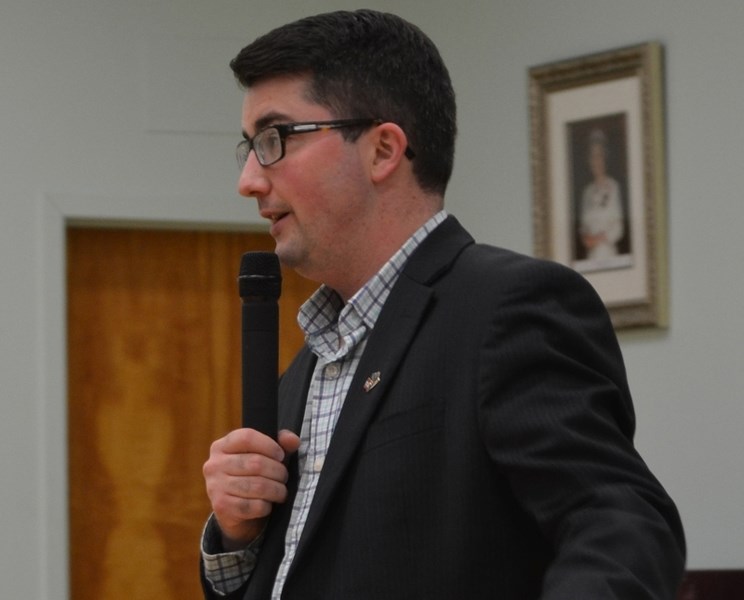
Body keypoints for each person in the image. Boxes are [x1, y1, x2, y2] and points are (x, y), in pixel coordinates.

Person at [200, 9, 685, 600]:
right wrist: (236, 535)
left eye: (274, 140)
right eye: (248, 147)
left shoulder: (507, 308)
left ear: (382, 150)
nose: (249, 179)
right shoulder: (303, 372)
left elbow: (622, 526)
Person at [578, 128, 626, 264]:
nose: (596, 161)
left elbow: (618, 228)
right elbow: (583, 228)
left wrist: (599, 239)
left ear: (605, 157)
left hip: (608, 255)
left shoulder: (613, 187)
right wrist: (586, 239)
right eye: (592, 157)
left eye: (599, 156)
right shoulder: (587, 192)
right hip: (591, 257)